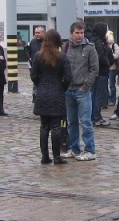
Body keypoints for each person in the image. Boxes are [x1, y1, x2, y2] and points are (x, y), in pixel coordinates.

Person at [31, 29, 73, 165]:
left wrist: (40, 85)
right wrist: (62, 87)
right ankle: (56, 156)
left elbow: (33, 75)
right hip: (57, 93)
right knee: (56, 127)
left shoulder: (38, 56)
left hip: (42, 92)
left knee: (44, 126)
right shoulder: (62, 57)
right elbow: (68, 77)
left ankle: (44, 156)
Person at [60, 21, 98, 161]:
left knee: (86, 122)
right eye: (77, 33)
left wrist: (86, 86)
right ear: (72, 33)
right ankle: (74, 148)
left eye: (82, 33)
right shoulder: (66, 47)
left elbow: (94, 69)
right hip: (68, 90)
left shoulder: (89, 48)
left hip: (82, 90)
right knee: (71, 122)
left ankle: (90, 150)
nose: (80, 35)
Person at [89, 22, 112, 126]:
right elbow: (100, 56)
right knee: (98, 95)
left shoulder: (93, 40)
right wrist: (107, 64)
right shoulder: (98, 42)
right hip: (100, 72)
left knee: (93, 95)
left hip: (93, 72)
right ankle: (96, 117)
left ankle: (93, 116)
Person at [28, 26, 45, 103]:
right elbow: (29, 52)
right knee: (35, 82)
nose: (37, 34)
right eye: (36, 33)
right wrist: (29, 59)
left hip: (44, 67)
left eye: (38, 33)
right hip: (34, 66)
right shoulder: (33, 41)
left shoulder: (47, 42)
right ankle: (35, 98)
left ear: (43, 33)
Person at [107, 30, 119, 106]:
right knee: (106, 84)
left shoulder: (114, 45)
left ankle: (112, 99)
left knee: (112, 84)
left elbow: (117, 54)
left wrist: (111, 57)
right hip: (106, 68)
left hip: (112, 67)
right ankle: (107, 98)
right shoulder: (103, 44)